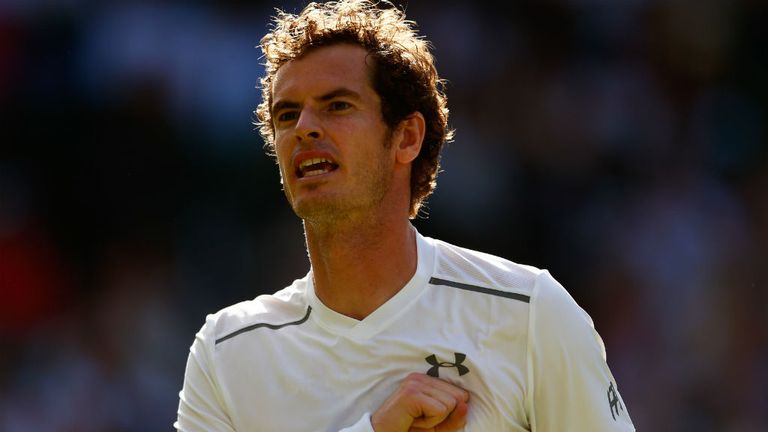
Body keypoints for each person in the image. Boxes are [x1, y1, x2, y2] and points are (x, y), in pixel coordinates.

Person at [175, 1, 635, 430]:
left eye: (338, 105)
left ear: (407, 138)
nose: (305, 128)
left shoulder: (532, 313)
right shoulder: (225, 351)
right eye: (287, 114)